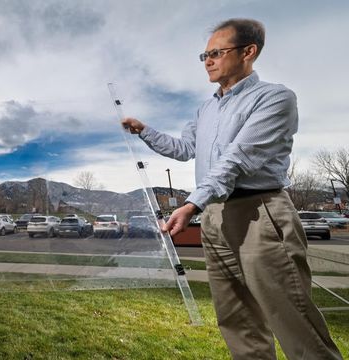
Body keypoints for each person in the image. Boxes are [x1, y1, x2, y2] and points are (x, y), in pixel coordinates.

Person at [122, 19, 342, 359]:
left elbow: (237, 160)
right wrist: (144, 131)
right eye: (204, 55)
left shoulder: (274, 98)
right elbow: (183, 149)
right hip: (214, 217)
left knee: (293, 321)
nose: (208, 61)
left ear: (248, 52)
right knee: (237, 322)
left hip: (260, 214)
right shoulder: (206, 108)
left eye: (216, 53)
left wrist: (191, 205)